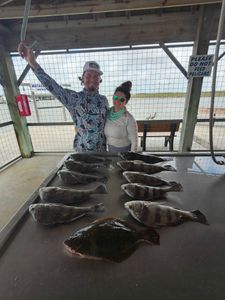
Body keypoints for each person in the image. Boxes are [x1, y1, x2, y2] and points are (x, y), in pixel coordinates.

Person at [17, 42, 109, 152]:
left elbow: (110, 122)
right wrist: (32, 62)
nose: (92, 79)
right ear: (82, 79)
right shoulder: (73, 98)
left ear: (100, 80)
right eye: (88, 75)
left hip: (102, 152)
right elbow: (52, 86)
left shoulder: (104, 100)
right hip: (82, 152)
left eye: (96, 76)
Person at [104, 81, 138, 152]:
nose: (118, 101)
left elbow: (134, 142)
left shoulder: (128, 118)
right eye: (116, 97)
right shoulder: (107, 113)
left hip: (124, 152)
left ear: (126, 101)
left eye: (122, 99)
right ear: (113, 97)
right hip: (110, 150)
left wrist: (131, 158)